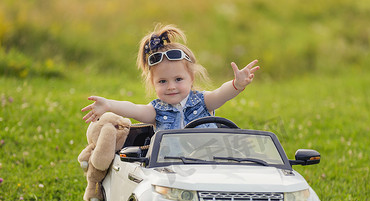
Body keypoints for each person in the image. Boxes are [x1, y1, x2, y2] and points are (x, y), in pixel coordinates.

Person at [82, 24, 260, 131]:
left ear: (191, 78)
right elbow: (133, 108)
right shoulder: (156, 111)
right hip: (171, 170)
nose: (171, 86)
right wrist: (109, 104)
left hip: (208, 164)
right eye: (162, 81)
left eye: (178, 79)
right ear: (153, 83)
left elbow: (221, 93)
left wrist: (236, 84)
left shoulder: (203, 101)